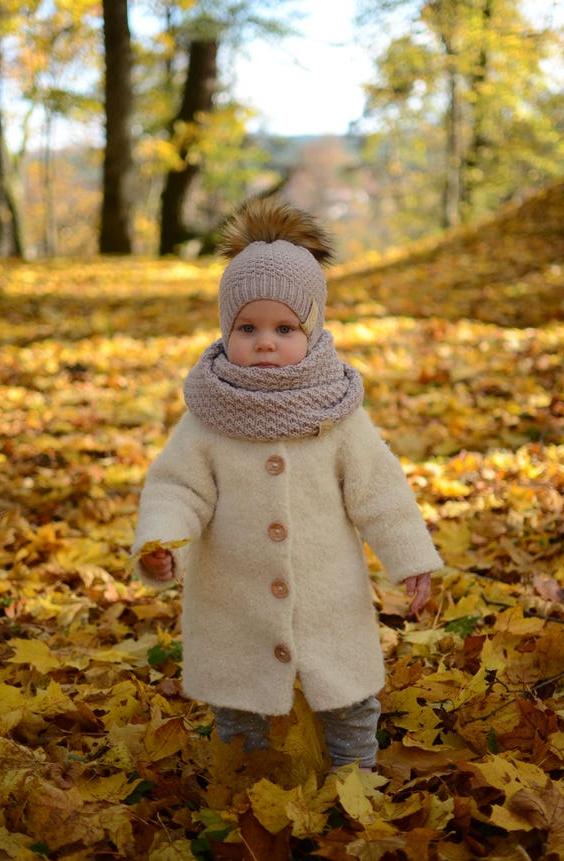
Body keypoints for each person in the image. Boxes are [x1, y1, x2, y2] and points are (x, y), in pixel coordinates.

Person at [132, 197, 443, 771]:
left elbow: (381, 491)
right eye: (247, 328)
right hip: (235, 597)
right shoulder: (208, 415)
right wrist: (160, 541)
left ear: (314, 328)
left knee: (347, 698)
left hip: (329, 596)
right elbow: (177, 488)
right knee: (240, 705)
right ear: (226, 331)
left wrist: (411, 560)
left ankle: (355, 778)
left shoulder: (337, 410)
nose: (266, 342)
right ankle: (246, 781)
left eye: (284, 328)